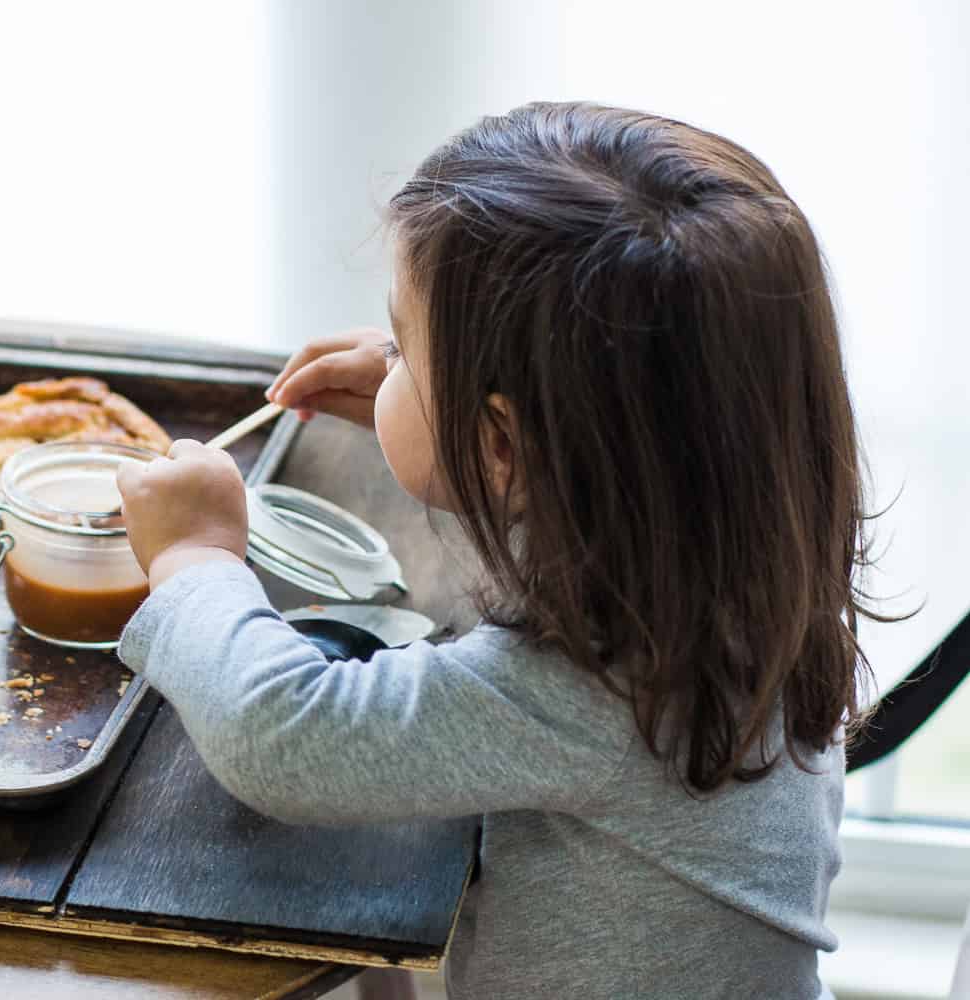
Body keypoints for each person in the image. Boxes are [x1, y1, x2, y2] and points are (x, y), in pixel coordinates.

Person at [113, 101, 874, 1000]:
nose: (384, 357)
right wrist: (434, 408)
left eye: (401, 347)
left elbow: (281, 734)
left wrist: (196, 556)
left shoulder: (591, 688)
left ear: (504, 445)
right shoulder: (732, 571)